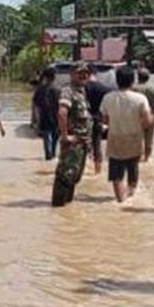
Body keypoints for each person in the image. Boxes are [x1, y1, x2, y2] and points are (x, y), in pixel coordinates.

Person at [100, 66, 153, 204]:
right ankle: (130, 196)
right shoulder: (140, 98)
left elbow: (105, 120)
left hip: (114, 138)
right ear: (132, 81)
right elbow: (148, 121)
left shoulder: (107, 98)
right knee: (132, 168)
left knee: (116, 175)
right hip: (134, 138)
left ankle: (120, 200)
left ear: (117, 80)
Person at [52, 62, 94, 207]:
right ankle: (58, 208)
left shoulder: (81, 92)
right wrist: (65, 136)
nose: (84, 75)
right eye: (80, 73)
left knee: (74, 176)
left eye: (86, 73)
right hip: (73, 143)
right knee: (65, 176)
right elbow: (62, 113)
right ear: (72, 74)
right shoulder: (68, 91)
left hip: (82, 143)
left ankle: (66, 209)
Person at [32, 67, 61, 160]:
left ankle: (48, 154)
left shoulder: (40, 89)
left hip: (44, 116)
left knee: (47, 136)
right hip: (56, 116)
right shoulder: (58, 89)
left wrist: (36, 119)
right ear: (54, 77)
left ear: (45, 77)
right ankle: (53, 153)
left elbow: (36, 105)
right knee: (55, 135)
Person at [135, 68, 154, 161]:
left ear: (138, 77)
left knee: (138, 137)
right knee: (149, 137)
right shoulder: (153, 88)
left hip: (137, 116)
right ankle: (147, 157)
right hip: (151, 115)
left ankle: (138, 156)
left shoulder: (134, 88)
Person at [84, 69, 109, 175]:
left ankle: (83, 168)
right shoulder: (104, 88)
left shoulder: (82, 88)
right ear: (95, 74)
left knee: (83, 143)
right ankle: (98, 170)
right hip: (98, 118)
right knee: (97, 144)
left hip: (84, 118)